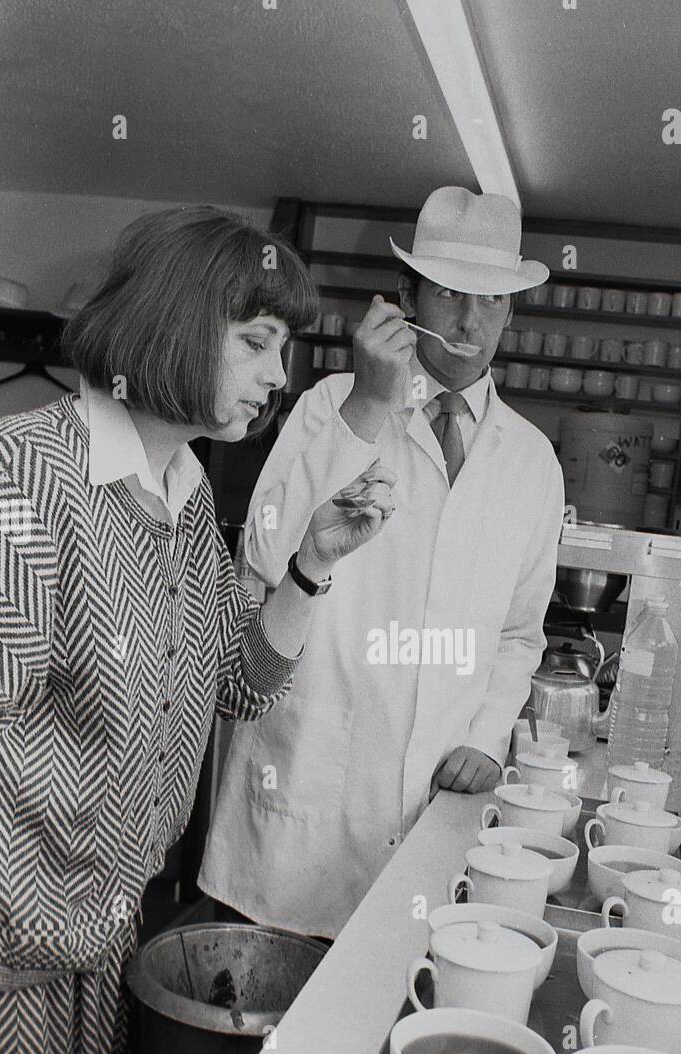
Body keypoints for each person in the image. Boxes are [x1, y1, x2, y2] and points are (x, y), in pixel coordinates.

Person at [0, 206, 394, 1054]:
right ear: (176, 324)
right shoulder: (31, 485)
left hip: (98, 949)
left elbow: (238, 682)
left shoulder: (178, 497)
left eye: (285, 348)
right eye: (257, 342)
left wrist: (311, 564)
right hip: (14, 974)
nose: (278, 375)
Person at [200, 187, 565, 937]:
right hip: (300, 810)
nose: (470, 321)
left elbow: (521, 635)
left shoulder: (532, 462)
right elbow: (266, 556)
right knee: (267, 1042)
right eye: (449, 294)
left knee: (386, 1036)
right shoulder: (331, 403)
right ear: (405, 297)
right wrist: (368, 407)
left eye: (491, 301)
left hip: (429, 820)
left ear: (511, 312)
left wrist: (487, 737)